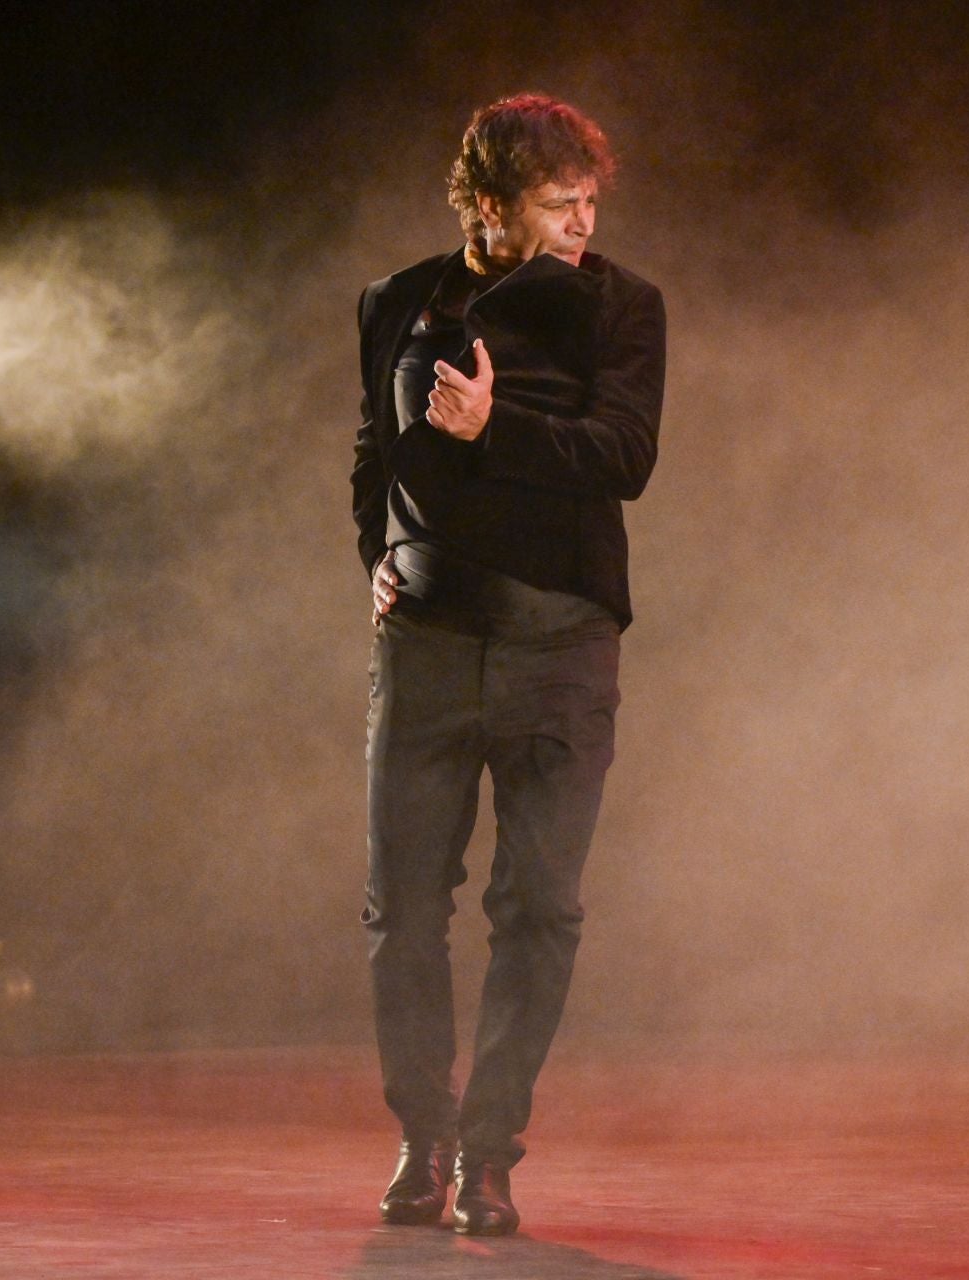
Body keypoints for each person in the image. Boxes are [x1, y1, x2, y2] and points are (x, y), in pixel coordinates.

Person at [351, 93, 666, 1236]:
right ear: (490, 203)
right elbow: (371, 454)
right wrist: (378, 553)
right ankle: (422, 1138)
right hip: (428, 647)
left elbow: (624, 454)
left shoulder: (625, 307)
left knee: (538, 906)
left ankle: (490, 1151)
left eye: (591, 200)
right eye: (556, 203)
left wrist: (498, 431)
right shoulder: (396, 301)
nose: (582, 221)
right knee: (402, 909)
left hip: (559, 649)